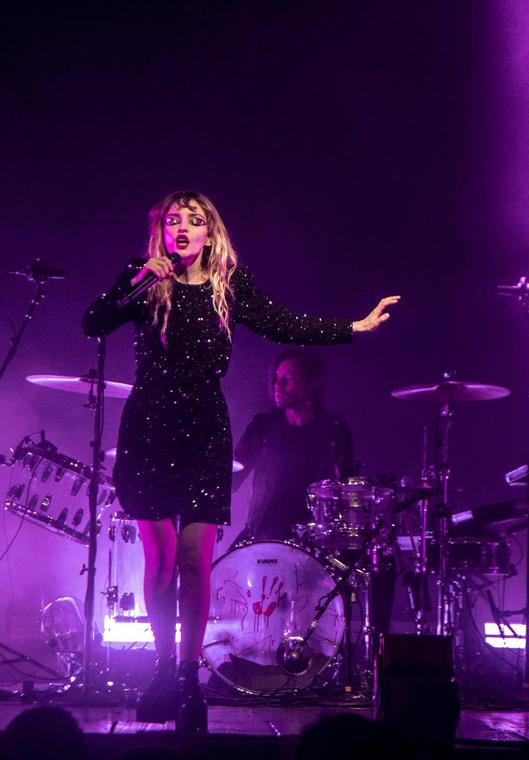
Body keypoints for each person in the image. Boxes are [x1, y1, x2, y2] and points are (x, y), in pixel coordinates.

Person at [82, 190, 398, 733]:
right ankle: (162, 669)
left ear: (211, 232)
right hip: (149, 429)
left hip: (203, 429)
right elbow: (93, 323)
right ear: (161, 230)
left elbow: (284, 323)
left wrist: (354, 327)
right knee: (157, 566)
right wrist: (131, 282)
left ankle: (187, 677)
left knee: (192, 562)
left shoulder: (231, 286)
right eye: (173, 220)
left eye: (194, 220)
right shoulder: (144, 280)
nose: (183, 228)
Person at [233, 347, 354, 543]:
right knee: (224, 572)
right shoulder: (263, 427)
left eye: (286, 380)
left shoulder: (335, 429)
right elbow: (233, 476)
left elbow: (348, 487)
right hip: (263, 537)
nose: (277, 386)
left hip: (315, 540)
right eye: (276, 379)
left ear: (312, 383)